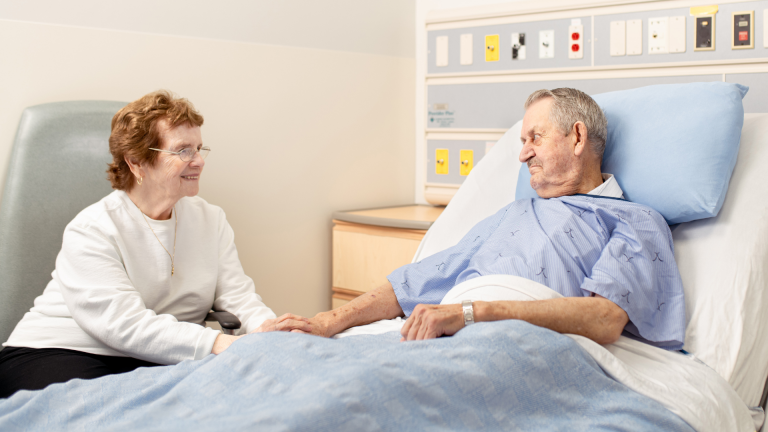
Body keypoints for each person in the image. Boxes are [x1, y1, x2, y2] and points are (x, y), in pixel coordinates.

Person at [294, 88, 686, 349]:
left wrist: (473, 313)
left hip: (514, 341)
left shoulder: (633, 220)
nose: (522, 154)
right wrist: (328, 322)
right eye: (522, 142)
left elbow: (604, 319)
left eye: (535, 137)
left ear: (578, 138)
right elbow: (411, 283)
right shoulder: (514, 214)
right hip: (445, 335)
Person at [0, 90, 309, 398]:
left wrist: (268, 333)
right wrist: (217, 343)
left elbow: (238, 297)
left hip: (155, 356)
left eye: (200, 148)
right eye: (183, 151)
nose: (199, 161)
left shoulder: (210, 220)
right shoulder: (93, 228)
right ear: (136, 163)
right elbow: (122, 324)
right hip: (61, 351)